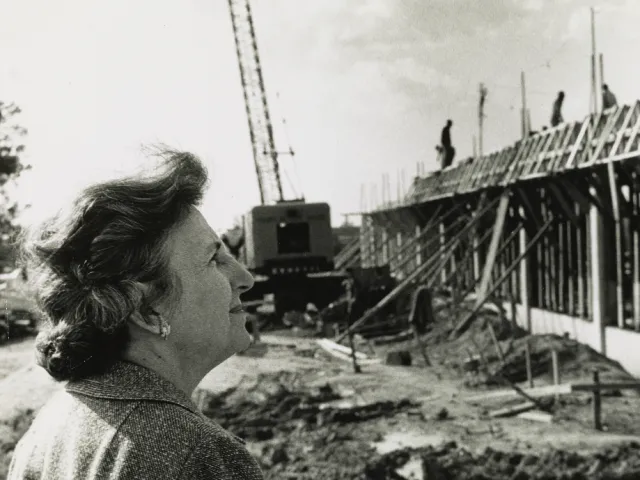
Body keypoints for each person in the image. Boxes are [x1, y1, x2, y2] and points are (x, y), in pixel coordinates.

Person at [8, 147, 264, 479]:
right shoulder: (198, 454)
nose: (246, 278)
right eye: (214, 260)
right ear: (145, 308)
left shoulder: (46, 431)